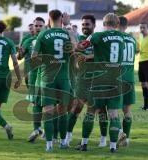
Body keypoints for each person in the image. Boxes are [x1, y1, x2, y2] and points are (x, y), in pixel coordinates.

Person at [76, 13, 126, 153]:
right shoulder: (123, 37)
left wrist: (75, 43)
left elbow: (82, 46)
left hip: (99, 79)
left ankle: (84, 144)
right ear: (117, 24)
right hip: (116, 80)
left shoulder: (97, 36)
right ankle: (113, 147)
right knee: (114, 114)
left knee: (90, 112)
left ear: (103, 23)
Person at [31, 10, 74, 152]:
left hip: (47, 78)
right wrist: (68, 27)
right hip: (63, 78)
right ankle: (63, 143)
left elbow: (34, 56)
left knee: (47, 111)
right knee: (63, 112)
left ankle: (49, 144)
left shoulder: (43, 34)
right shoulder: (67, 33)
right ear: (61, 18)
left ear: (48, 19)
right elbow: (76, 49)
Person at [66, 14, 108, 148]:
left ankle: (103, 138)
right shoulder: (80, 39)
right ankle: (68, 135)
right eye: (83, 24)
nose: (84, 27)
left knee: (101, 110)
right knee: (75, 108)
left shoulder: (99, 39)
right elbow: (74, 51)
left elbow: (105, 55)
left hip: (97, 79)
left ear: (94, 26)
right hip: (82, 79)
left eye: (87, 24)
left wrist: (88, 56)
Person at [17, 17, 46, 142]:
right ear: (33, 27)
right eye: (36, 25)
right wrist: (20, 52)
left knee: (47, 104)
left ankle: (48, 130)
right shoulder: (28, 40)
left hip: (47, 76)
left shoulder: (47, 39)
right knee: (35, 102)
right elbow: (19, 57)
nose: (38, 27)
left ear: (44, 26)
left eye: (40, 25)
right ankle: (37, 129)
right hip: (32, 76)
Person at [118, 16, 139, 147]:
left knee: (110, 110)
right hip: (130, 78)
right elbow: (137, 52)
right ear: (126, 26)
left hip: (117, 78)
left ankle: (120, 132)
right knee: (127, 111)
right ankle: (127, 138)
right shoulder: (132, 39)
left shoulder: (116, 38)